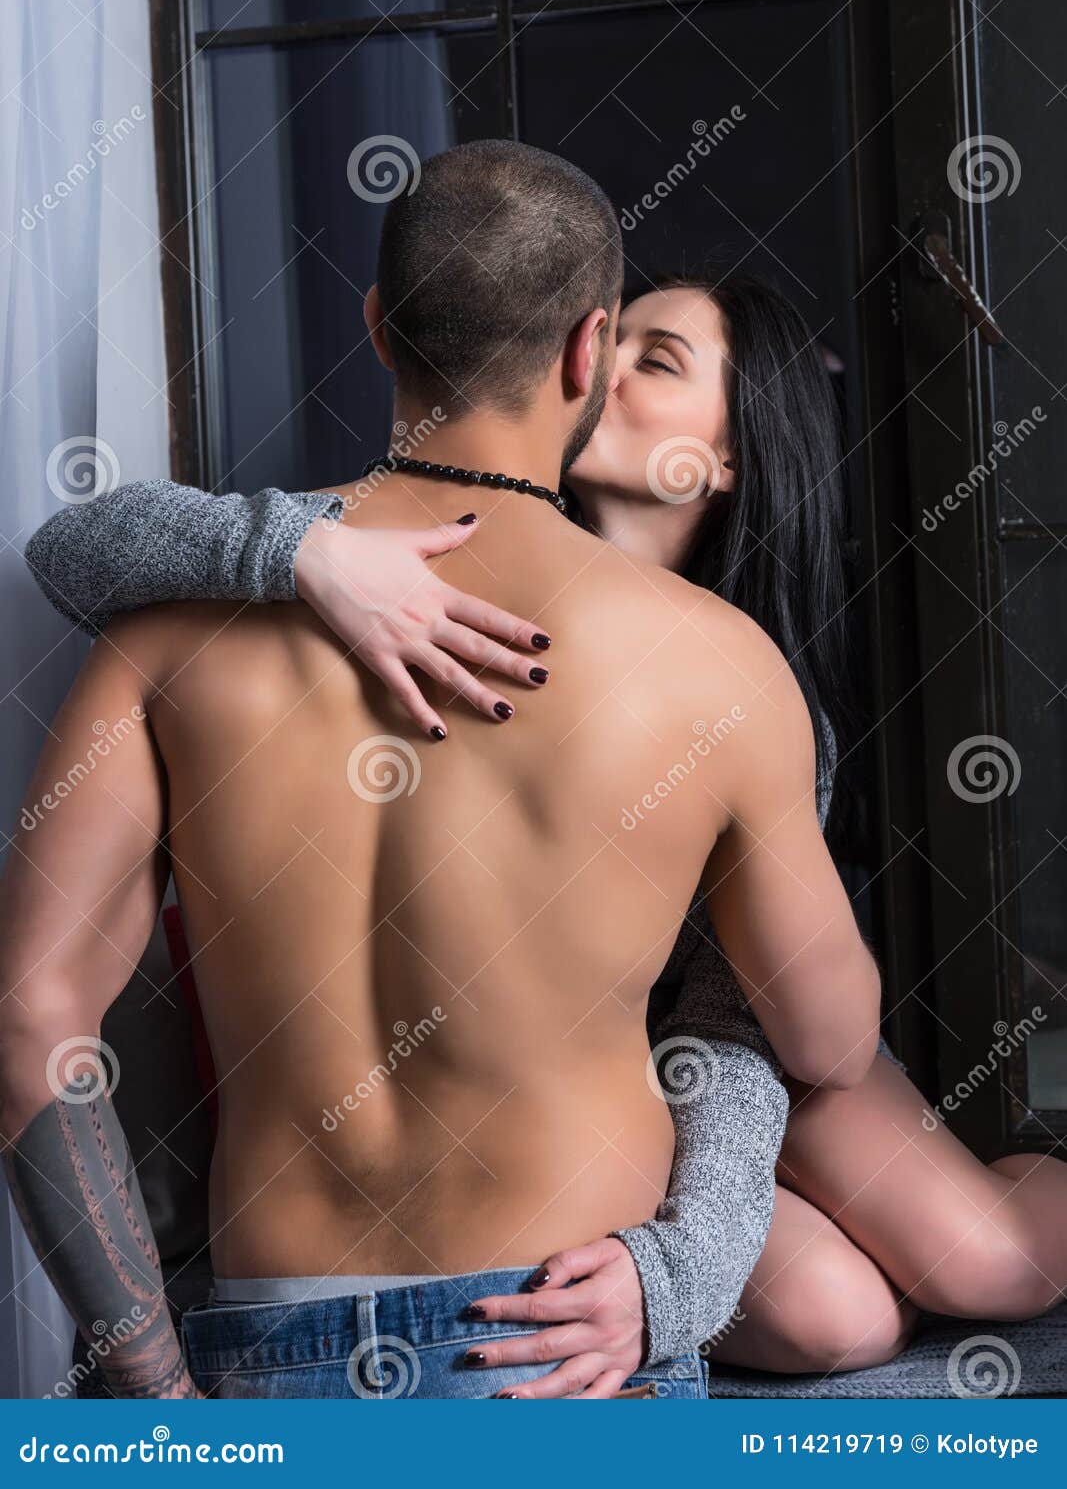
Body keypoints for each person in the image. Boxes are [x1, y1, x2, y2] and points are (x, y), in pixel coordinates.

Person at [27, 257, 1067, 1394]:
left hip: (722, 1039)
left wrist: (682, 1263)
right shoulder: (381, 568)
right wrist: (301, 549)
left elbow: (770, 1034)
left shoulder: (739, 678)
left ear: (725, 455)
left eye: (657, 360)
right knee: (838, 1317)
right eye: (612, 343)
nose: (608, 371)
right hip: (552, 1075)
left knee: (994, 1262)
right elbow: (72, 550)